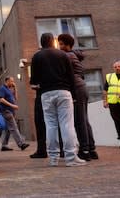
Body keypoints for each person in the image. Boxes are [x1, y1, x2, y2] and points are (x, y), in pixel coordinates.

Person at [30, 33, 86, 167]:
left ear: (41, 42)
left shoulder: (36, 57)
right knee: (67, 124)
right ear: (52, 41)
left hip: (46, 94)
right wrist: (73, 95)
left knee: (50, 125)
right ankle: (71, 157)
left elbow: (33, 81)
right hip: (63, 92)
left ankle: (53, 158)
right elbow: (71, 77)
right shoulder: (63, 55)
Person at [58, 34, 98, 160]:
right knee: (84, 119)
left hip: (76, 88)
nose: (59, 46)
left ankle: (85, 150)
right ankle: (91, 149)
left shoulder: (68, 56)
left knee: (79, 121)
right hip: (82, 87)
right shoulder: (74, 55)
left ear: (67, 45)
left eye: (61, 44)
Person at [0, 77, 30, 152]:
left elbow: (15, 98)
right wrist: (12, 106)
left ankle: (4, 145)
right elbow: (1, 100)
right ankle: (21, 144)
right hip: (6, 111)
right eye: (12, 81)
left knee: (8, 129)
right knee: (14, 127)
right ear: (7, 81)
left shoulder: (9, 89)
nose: (13, 82)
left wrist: (15, 88)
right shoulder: (2, 88)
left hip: (11, 111)